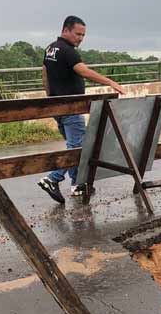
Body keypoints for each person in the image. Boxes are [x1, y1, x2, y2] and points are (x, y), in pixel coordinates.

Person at [37, 15, 126, 205]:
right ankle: (52, 179)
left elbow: (45, 72)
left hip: (58, 106)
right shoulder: (68, 51)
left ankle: (78, 184)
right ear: (66, 30)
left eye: (83, 35)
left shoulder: (50, 48)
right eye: (78, 34)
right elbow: (84, 71)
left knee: (75, 145)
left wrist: (50, 98)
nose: (80, 39)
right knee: (79, 148)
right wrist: (110, 82)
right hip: (71, 107)